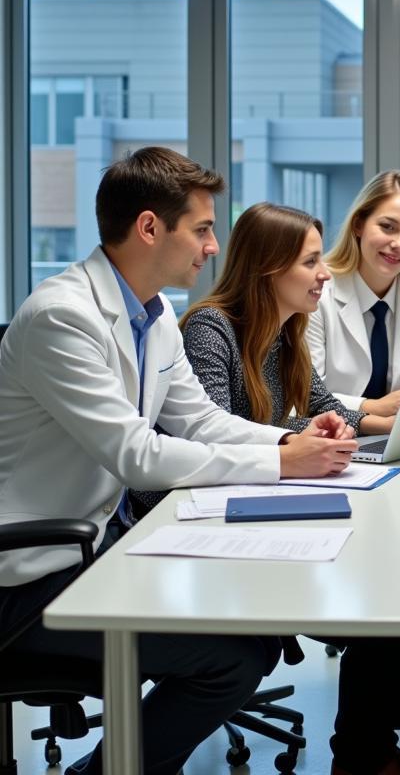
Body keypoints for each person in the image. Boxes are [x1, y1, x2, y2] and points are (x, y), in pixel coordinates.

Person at [0, 148, 355, 775]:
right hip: (29, 579)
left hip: (99, 549)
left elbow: (199, 420)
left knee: (258, 633)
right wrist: (284, 465)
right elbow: (136, 455)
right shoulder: (62, 317)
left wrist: (285, 446)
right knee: (234, 658)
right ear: (148, 228)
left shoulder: (155, 313)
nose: (214, 246)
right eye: (202, 228)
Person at [179, 200, 400, 775]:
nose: (326, 272)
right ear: (267, 269)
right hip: (210, 523)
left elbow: (322, 410)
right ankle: (365, 755)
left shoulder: (285, 331)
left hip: (265, 503)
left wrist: (317, 425)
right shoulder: (210, 329)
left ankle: (367, 751)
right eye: (309, 262)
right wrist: (296, 436)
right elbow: (209, 434)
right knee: (385, 591)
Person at [308, 171, 400, 431]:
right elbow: (302, 395)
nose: (399, 244)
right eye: (388, 227)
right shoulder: (317, 291)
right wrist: (369, 406)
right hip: (331, 438)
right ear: (358, 224)